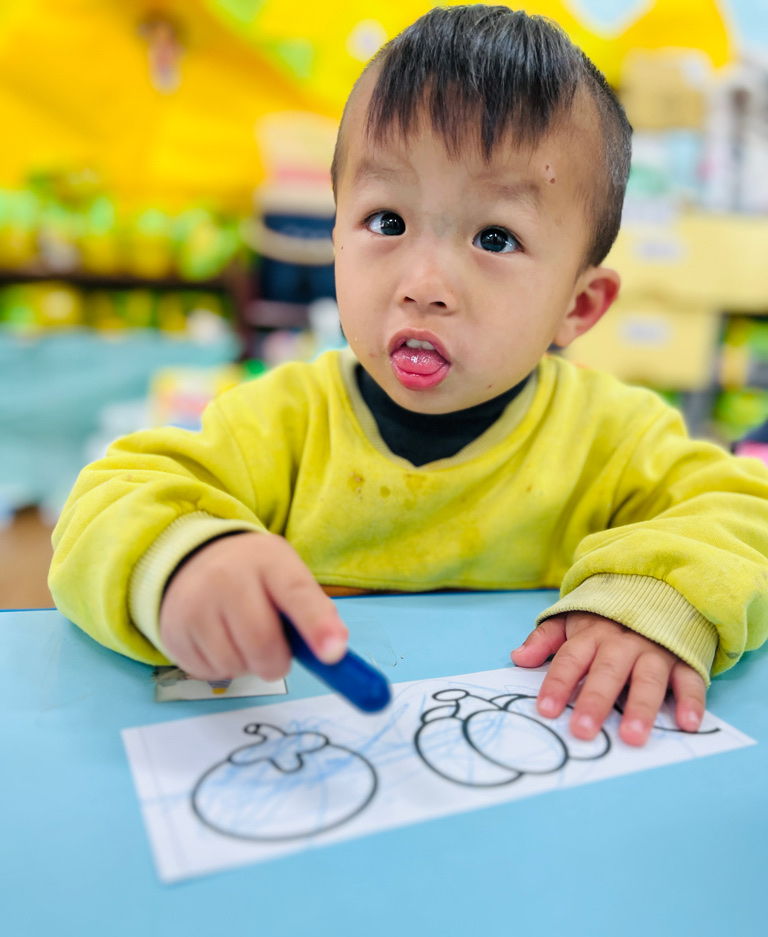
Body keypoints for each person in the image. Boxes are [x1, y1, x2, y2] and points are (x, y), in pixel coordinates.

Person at [50, 6, 768, 748]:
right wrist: (184, 562)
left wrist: (653, 601)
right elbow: (107, 503)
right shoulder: (283, 423)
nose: (423, 285)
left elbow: (745, 510)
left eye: (495, 237)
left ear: (578, 306)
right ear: (335, 238)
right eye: (386, 222)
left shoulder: (611, 439)